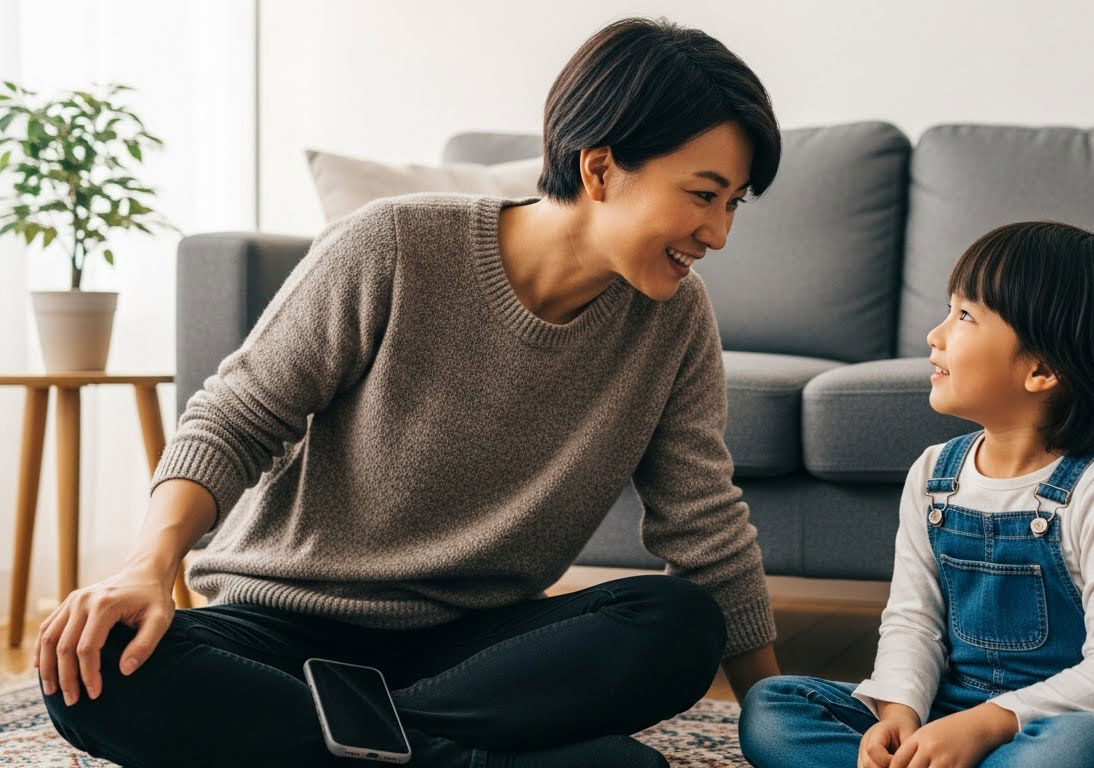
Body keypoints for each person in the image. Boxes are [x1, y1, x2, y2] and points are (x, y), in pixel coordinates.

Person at [35, 16, 783, 768]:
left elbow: (702, 525)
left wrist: (773, 720)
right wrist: (146, 568)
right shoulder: (395, 245)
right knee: (92, 668)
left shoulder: (674, 320)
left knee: (679, 624)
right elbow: (233, 419)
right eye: (702, 194)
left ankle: (345, 743)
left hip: (473, 653)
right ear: (599, 169)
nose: (716, 233)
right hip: (282, 629)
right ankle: (450, 760)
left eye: (733, 204)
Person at [739, 222, 1094, 768]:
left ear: (1042, 368)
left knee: (1084, 751)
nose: (936, 334)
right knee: (772, 709)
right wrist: (899, 713)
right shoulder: (933, 473)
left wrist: (986, 726)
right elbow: (913, 621)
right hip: (945, 718)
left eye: (965, 316)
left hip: (1056, 729)